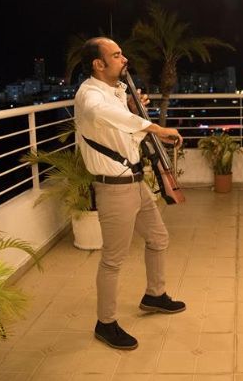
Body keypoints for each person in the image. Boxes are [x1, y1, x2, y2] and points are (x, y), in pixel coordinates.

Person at [74, 37, 186, 350]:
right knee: (113, 259)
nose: (124, 59)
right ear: (98, 63)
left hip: (135, 182)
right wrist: (156, 128)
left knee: (158, 238)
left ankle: (154, 295)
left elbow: (122, 125)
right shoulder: (89, 94)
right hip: (113, 188)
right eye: (117, 54)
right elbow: (106, 117)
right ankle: (105, 323)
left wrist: (136, 108)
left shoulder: (117, 92)